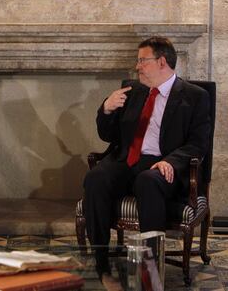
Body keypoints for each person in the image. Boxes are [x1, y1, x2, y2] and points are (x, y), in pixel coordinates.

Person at [83, 37, 211, 282]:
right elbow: (108, 135)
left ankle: (150, 272)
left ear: (161, 61)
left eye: (143, 60)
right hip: (128, 160)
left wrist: (172, 162)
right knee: (95, 178)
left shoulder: (195, 97)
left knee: (148, 181)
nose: (137, 66)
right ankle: (100, 265)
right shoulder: (133, 91)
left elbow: (198, 144)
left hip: (162, 165)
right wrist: (106, 109)